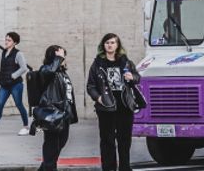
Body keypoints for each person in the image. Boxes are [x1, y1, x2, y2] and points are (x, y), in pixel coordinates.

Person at [86, 32, 142, 171]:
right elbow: (91, 85)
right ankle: (109, 168)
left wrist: (132, 77)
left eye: (112, 42)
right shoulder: (97, 63)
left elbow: (137, 77)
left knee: (124, 140)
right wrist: (98, 98)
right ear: (103, 45)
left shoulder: (126, 62)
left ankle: (125, 167)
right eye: (107, 43)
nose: (109, 45)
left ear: (117, 45)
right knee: (107, 140)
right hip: (106, 106)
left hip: (125, 105)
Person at [27, 45, 78, 171]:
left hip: (64, 115)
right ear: (54, 58)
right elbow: (48, 72)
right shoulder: (45, 70)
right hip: (52, 115)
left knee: (61, 143)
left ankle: (44, 168)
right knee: (51, 147)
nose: (64, 59)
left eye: (63, 56)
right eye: (61, 56)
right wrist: (58, 59)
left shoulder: (62, 73)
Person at [0, 31, 30, 136]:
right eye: (6, 39)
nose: (6, 42)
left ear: (15, 42)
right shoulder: (4, 52)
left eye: (9, 40)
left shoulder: (18, 54)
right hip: (4, 84)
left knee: (19, 104)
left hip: (16, 85)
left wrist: (13, 76)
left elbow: (24, 68)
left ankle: (26, 127)